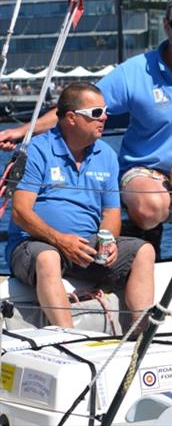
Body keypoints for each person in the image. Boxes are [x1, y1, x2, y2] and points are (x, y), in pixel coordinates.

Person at [0, 0, 172, 235]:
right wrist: (23, 132)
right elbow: (79, 107)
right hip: (147, 171)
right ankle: (164, 228)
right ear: (165, 26)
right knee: (151, 208)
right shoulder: (136, 71)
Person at [5, 83, 155, 328]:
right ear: (71, 118)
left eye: (105, 111)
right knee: (48, 258)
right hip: (33, 244)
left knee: (144, 251)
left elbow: (111, 212)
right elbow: (21, 212)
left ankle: (140, 334)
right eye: (96, 113)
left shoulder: (106, 155)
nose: (105, 118)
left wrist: (107, 241)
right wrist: (61, 240)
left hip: (85, 245)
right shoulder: (37, 151)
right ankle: (69, 338)